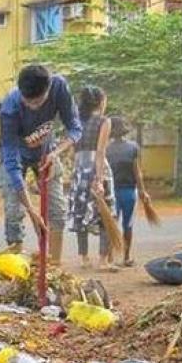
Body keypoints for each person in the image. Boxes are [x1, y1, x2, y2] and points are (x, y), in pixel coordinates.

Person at [0, 64, 82, 265]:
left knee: (57, 211)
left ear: (49, 88)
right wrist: (31, 210)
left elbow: (75, 129)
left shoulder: (59, 87)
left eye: (38, 101)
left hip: (47, 153)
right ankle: (15, 264)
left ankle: (53, 266)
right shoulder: (10, 107)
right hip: (16, 154)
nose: (33, 106)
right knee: (13, 211)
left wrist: (56, 153)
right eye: (28, 102)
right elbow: (11, 162)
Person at [67, 86, 116, 271]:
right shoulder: (104, 121)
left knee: (80, 213)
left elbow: (73, 151)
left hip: (80, 171)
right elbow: (101, 151)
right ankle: (103, 260)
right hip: (97, 169)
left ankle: (84, 258)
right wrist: (99, 178)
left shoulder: (76, 122)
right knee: (105, 214)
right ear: (100, 102)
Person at [107, 116, 150, 267]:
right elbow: (137, 172)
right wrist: (143, 191)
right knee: (128, 225)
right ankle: (126, 257)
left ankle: (110, 258)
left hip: (111, 193)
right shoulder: (133, 147)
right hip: (129, 192)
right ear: (124, 131)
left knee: (112, 224)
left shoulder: (106, 149)